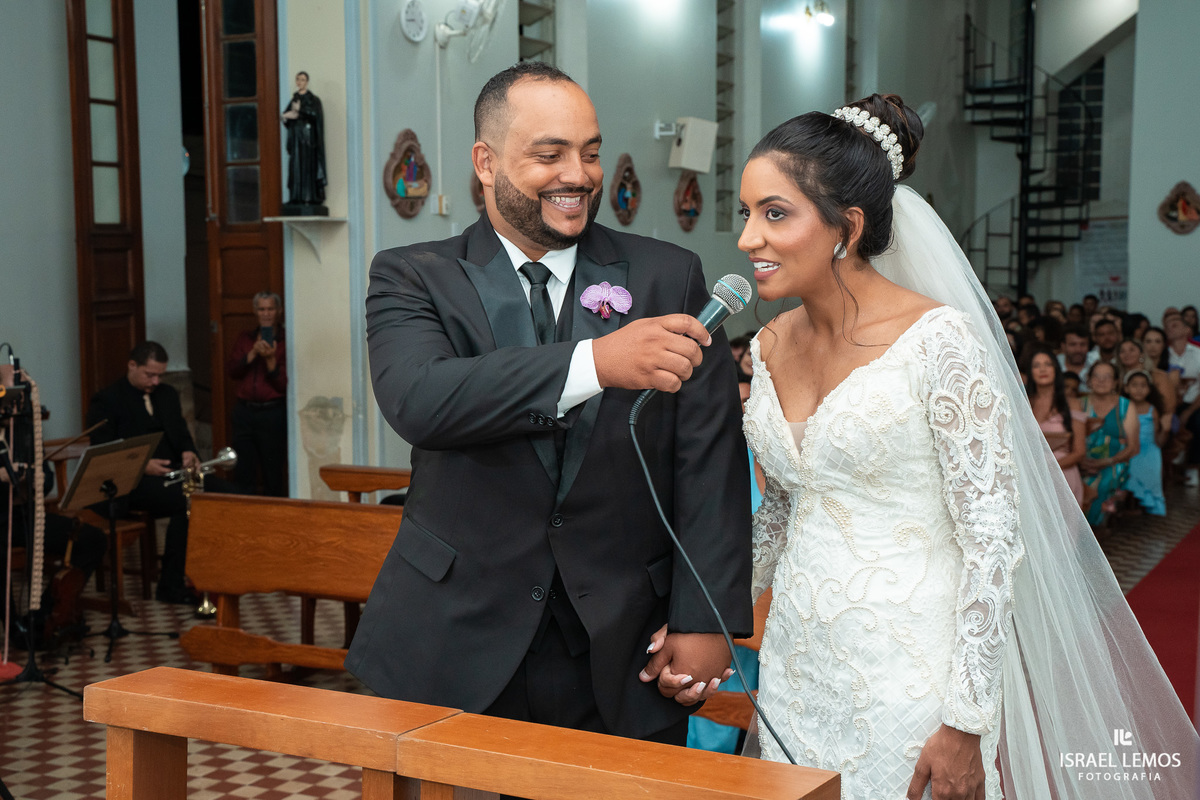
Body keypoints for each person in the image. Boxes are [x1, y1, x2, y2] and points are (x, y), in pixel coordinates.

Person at [698, 94, 1196, 799]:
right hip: (799, 663)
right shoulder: (772, 342)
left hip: (912, 671)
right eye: (746, 213)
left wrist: (964, 718)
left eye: (774, 213)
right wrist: (711, 618)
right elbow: (781, 510)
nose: (748, 238)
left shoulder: (940, 342)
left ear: (848, 227)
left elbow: (992, 537)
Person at [345, 62, 752, 748]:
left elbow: (707, 458)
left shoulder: (667, 275)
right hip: (452, 636)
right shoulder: (414, 275)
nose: (580, 174)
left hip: (623, 646)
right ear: (485, 161)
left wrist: (705, 618)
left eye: (590, 152)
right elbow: (421, 400)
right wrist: (596, 362)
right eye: (550, 153)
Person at [87, 341, 233, 603]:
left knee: (226, 493)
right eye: (149, 374)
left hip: (171, 475)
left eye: (160, 375)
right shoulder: (107, 400)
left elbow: (180, 432)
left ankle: (217, 574)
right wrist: (143, 465)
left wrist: (190, 453)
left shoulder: (166, 394)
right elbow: (104, 452)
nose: (155, 381)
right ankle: (171, 585)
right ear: (132, 366)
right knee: (187, 502)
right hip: (132, 484)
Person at [227, 291, 287, 496]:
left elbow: (282, 385)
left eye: (270, 309)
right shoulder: (246, 338)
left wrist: (270, 360)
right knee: (243, 470)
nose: (266, 314)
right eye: (262, 309)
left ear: (279, 311)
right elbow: (233, 371)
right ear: (255, 312)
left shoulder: (285, 339)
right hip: (244, 412)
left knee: (272, 472)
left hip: (272, 413)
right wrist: (252, 353)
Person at [1025, 346, 1086, 508]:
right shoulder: (1024, 404)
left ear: (1056, 369)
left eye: (1048, 364)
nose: (1042, 369)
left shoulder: (1071, 404)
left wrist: (1049, 468)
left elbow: (1079, 451)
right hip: (1031, 473)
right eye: (1036, 366)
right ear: (1030, 372)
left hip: (1062, 473)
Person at [1080, 361, 1139, 525]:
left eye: (1107, 377)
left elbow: (1132, 446)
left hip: (1115, 462)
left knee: (1101, 483)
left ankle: (1090, 531)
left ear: (1115, 382)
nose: (1101, 381)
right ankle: (1072, 530)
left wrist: (1106, 461)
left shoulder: (1125, 406)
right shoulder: (1080, 404)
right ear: (1089, 380)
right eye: (1096, 376)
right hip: (1082, 461)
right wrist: (1081, 462)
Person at [281, 71, 327, 214]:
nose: (300, 82)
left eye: (303, 79)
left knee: (307, 167)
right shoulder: (294, 99)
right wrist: (285, 118)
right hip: (296, 139)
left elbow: (315, 115)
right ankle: (296, 197)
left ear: (307, 81)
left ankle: (309, 196)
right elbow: (288, 115)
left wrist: (301, 111)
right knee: (296, 167)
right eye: (298, 79)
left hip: (308, 141)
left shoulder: (313, 99)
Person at [1122, 370, 1166, 516]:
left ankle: (1144, 503)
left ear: (1149, 389)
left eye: (1143, 385)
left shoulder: (1152, 410)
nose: (1139, 389)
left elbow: (1157, 439)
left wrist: (1165, 430)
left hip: (1149, 449)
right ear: (1126, 388)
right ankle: (1127, 505)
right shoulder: (1123, 407)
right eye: (1134, 385)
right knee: (1128, 464)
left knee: (1149, 466)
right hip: (1128, 447)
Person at [1165, 311, 1200, 486]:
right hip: (1168, 403)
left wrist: (1188, 411)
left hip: (1194, 403)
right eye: (1167, 325)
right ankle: (1169, 464)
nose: (1169, 328)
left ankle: (1192, 467)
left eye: (1175, 325)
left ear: (1187, 330)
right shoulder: (1164, 354)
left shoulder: (1198, 353)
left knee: (1198, 422)